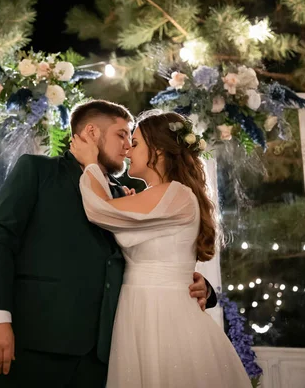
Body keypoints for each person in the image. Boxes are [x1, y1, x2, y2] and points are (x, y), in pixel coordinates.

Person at [0, 100, 217, 388]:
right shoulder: (38, 171)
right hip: (38, 344)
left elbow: (156, 253)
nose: (127, 147)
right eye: (122, 135)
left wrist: (202, 288)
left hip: (109, 353)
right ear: (91, 132)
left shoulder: (131, 193)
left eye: (133, 139)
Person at [69, 109, 252, 387]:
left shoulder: (174, 193)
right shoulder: (159, 196)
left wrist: (90, 163)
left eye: (137, 143)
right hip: (140, 309)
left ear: (160, 150)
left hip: (162, 315)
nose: (128, 150)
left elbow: (100, 210)